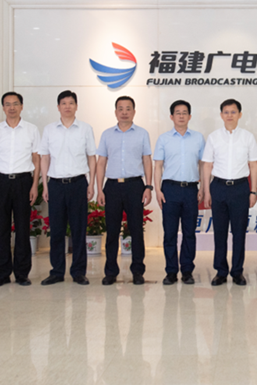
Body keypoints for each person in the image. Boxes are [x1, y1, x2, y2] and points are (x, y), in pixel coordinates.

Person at [38, 90, 97, 286]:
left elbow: (91, 157)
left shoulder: (85, 129)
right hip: (55, 184)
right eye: (63, 103)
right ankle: (57, 272)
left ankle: (79, 272)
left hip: (78, 184)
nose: (67, 106)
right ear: (58, 107)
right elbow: (44, 158)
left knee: (79, 230)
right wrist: (45, 185)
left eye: (71, 103)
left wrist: (91, 183)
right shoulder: (49, 130)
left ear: (76, 106)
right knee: (57, 230)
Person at [0, 92, 41, 287]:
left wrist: (35, 185)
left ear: (21, 106)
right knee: (1, 229)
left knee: (23, 228)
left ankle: (22, 274)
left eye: (15, 104)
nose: (11, 107)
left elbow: (36, 159)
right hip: (0, 181)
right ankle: (1, 274)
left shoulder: (32, 130)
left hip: (23, 181)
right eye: (7, 104)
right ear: (3, 108)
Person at [202, 99, 257, 286]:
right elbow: (207, 165)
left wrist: (253, 191)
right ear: (221, 115)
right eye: (226, 112)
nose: (229, 115)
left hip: (240, 188)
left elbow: (253, 165)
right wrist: (207, 191)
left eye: (233, 112)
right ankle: (220, 271)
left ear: (240, 115)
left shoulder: (248, 137)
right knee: (219, 232)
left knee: (239, 232)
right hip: (218, 187)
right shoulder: (213, 137)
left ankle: (237, 272)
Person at [96, 96, 153, 286]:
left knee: (136, 229)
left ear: (134, 112)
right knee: (112, 230)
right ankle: (111, 272)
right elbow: (101, 162)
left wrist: (148, 186)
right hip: (112, 186)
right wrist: (99, 189)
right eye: (120, 108)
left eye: (128, 108)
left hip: (135, 185)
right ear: (115, 112)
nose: (124, 112)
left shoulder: (142, 133)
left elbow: (147, 160)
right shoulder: (107, 134)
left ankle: (137, 271)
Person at [153, 100, 205, 285]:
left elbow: (203, 165)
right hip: (170, 189)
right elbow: (158, 166)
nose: (181, 116)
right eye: (178, 113)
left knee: (189, 233)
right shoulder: (164, 139)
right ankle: (171, 271)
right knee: (170, 233)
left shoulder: (198, 138)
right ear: (171, 116)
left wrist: (203, 188)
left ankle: (187, 271)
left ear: (189, 116)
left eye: (184, 113)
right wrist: (157, 190)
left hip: (191, 189)